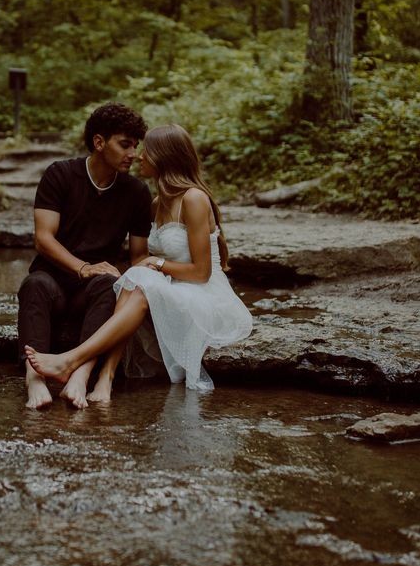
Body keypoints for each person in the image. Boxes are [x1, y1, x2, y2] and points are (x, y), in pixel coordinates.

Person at [25, 123, 253, 400]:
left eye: (145, 150)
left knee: (142, 278)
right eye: (131, 147)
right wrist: (145, 267)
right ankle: (103, 383)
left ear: (166, 157)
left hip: (203, 294)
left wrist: (155, 264)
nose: (138, 156)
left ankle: (75, 363)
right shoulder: (157, 203)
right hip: (172, 287)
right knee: (135, 279)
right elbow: (141, 260)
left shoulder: (194, 199)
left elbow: (201, 273)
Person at [18, 102, 152, 410]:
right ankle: (34, 378)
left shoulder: (136, 193)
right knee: (34, 284)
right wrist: (82, 267)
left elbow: (139, 255)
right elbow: (43, 239)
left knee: (110, 283)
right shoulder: (60, 174)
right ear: (99, 142)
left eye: (136, 145)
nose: (133, 153)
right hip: (52, 280)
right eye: (125, 144)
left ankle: (79, 374)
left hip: (93, 291)